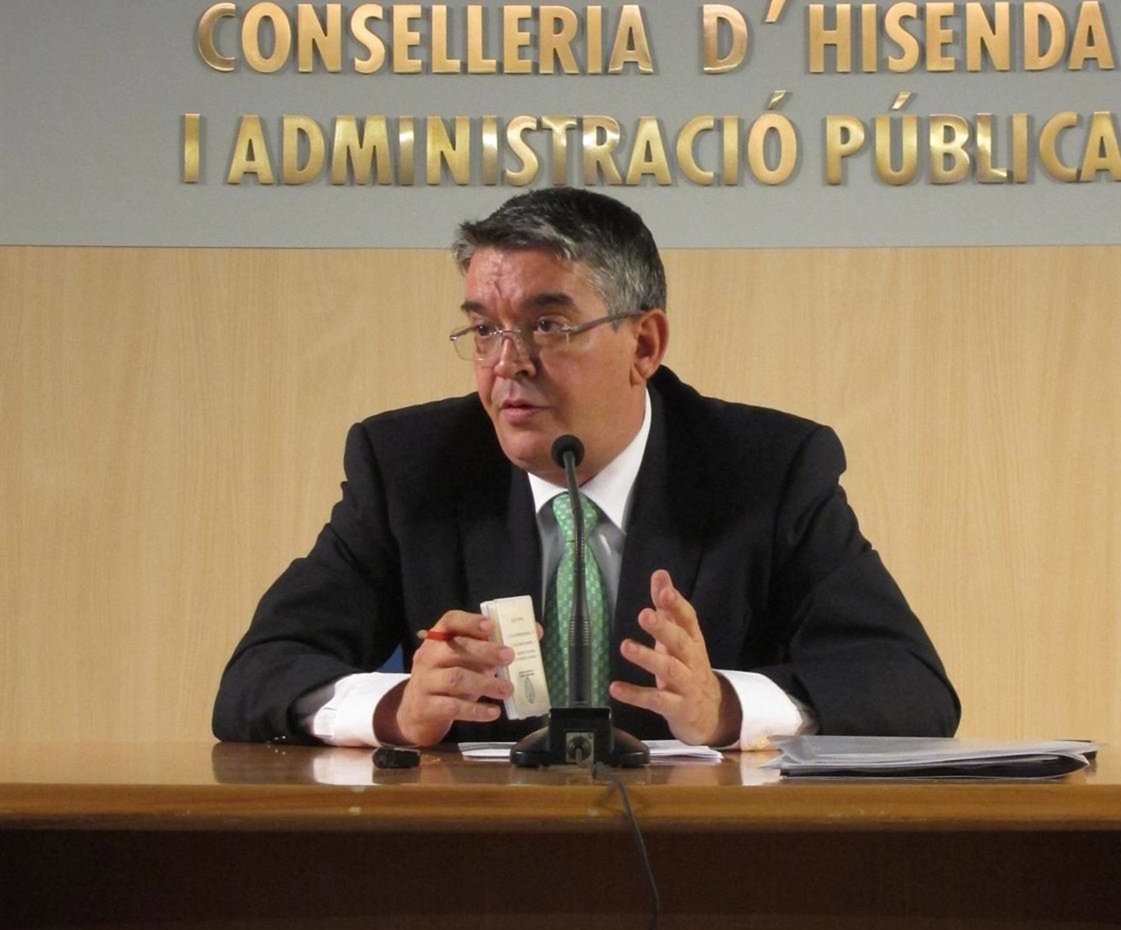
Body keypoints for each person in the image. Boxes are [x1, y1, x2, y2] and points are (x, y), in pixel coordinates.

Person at [213, 188, 958, 748]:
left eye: (547, 325)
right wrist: (395, 709)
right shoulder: (412, 467)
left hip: (705, 861)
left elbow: (910, 688)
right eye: (484, 330)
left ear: (645, 346)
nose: (507, 364)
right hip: (473, 862)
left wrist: (726, 707)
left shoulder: (766, 471)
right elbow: (258, 677)